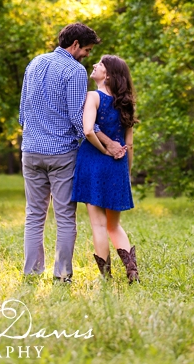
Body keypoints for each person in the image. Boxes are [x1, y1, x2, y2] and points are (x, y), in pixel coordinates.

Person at [20, 22, 116, 283]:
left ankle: (31, 273)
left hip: (30, 151)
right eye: (86, 49)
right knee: (64, 217)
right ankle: (62, 276)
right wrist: (106, 143)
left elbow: (22, 112)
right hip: (61, 154)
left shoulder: (35, 63)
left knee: (34, 215)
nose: (87, 55)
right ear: (74, 45)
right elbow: (78, 119)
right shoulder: (74, 71)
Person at [71, 54, 139, 283]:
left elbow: (88, 130)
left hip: (94, 164)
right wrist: (125, 172)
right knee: (114, 225)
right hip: (117, 167)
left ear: (108, 75)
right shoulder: (126, 103)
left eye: (99, 64)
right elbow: (129, 144)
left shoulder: (93, 97)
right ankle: (132, 271)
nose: (94, 65)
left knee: (99, 225)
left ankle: (106, 277)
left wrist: (103, 150)